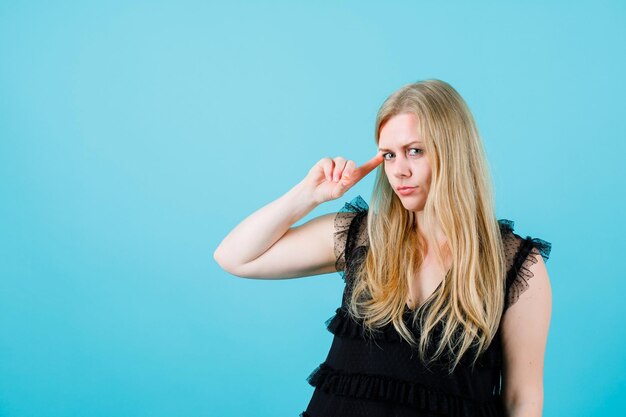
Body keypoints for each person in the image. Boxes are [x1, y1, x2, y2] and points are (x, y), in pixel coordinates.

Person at [213, 79, 552, 417]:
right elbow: (234, 257)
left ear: (453, 151)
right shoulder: (364, 236)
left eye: (414, 151)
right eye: (389, 155)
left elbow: (522, 400)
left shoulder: (513, 265)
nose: (399, 171)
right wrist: (309, 194)